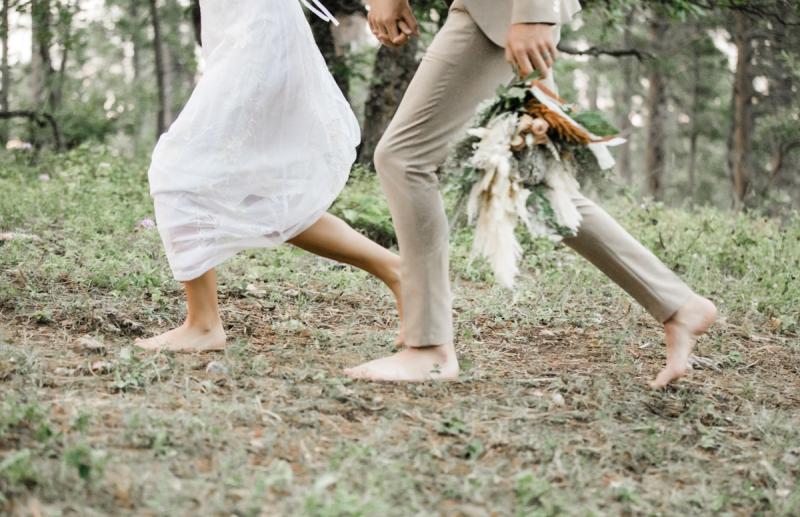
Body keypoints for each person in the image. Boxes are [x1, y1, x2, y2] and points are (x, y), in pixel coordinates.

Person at [344, 0, 717, 388]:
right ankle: (678, 304)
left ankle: (429, 349)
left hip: (500, 12)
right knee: (537, 181)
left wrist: (533, 13)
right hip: (506, 15)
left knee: (404, 158)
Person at [135, 0, 404, 352]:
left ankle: (202, 325)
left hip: (258, 33)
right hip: (236, 33)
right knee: (257, 192)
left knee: (178, 171)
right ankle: (397, 271)